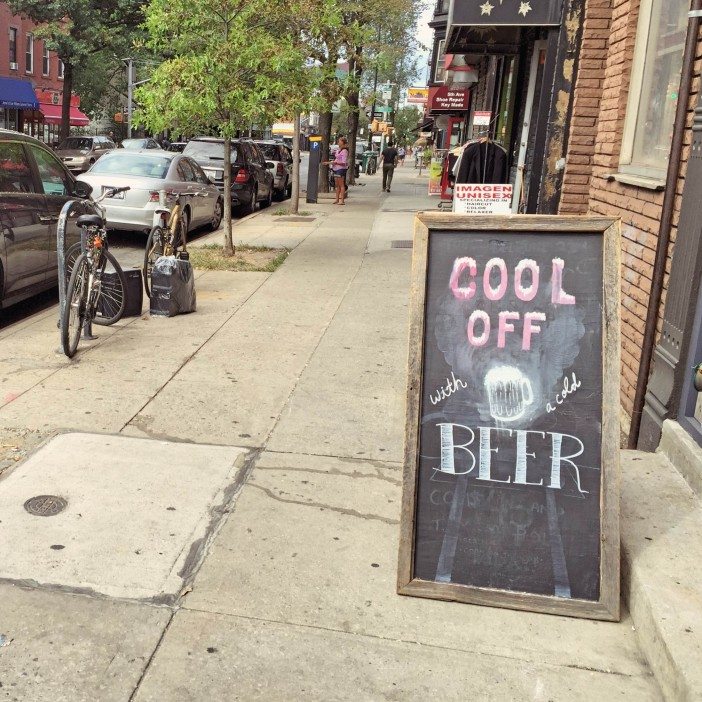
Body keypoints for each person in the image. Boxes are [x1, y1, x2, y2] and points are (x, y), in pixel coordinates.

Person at [322, 136, 349, 205]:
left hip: (341, 169)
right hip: (335, 169)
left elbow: (344, 162)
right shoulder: (338, 150)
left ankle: (342, 200)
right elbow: (336, 160)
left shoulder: (344, 151)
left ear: (343, 143)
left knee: (341, 185)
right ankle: (337, 199)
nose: (338, 142)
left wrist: (335, 163)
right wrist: (329, 163)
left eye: (340, 141)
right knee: (337, 185)